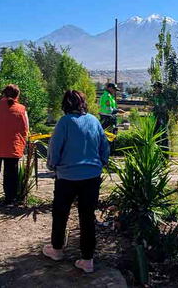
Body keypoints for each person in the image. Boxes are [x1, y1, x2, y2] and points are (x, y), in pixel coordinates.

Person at [43, 90, 110, 273]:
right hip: (91, 177)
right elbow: (104, 146)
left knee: (60, 213)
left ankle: (57, 250)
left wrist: (52, 166)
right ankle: (87, 260)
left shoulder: (64, 122)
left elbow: (55, 148)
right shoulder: (94, 121)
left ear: (65, 104)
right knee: (87, 217)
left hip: (67, 177)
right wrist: (101, 163)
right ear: (83, 103)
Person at [0, 84, 29, 205]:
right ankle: (10, 199)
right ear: (17, 95)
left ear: (4, 93)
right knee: (11, 174)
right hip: (13, 146)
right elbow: (26, 128)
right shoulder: (21, 109)